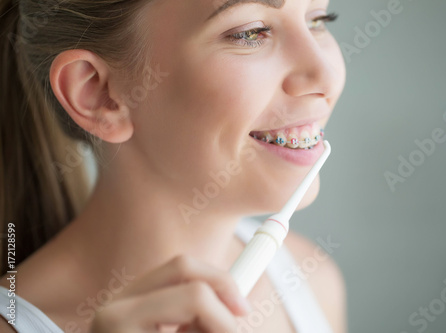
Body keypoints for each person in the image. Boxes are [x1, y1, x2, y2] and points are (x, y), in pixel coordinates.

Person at [0, 0, 347, 331]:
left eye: (317, 20)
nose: (325, 77)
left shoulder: (310, 280)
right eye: (251, 32)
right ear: (97, 93)